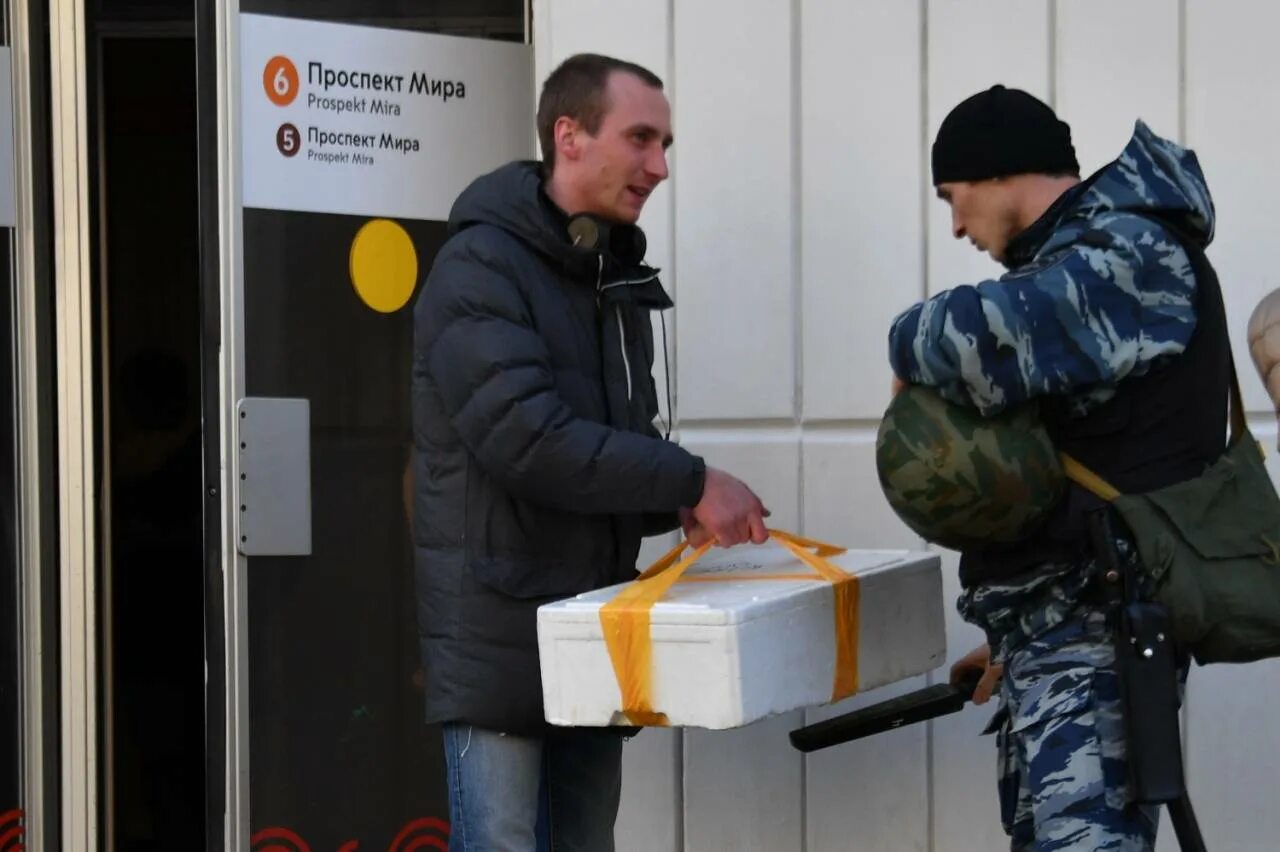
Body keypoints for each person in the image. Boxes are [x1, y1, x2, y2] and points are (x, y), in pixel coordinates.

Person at [411, 53, 768, 851]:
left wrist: (675, 499)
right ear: (568, 136)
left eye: (666, 143)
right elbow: (528, 442)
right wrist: (691, 478)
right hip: (499, 642)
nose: (660, 166)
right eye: (641, 138)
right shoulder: (479, 268)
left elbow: (605, 453)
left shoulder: (608, 273)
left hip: (589, 633)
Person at [887, 85, 1226, 851]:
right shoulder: (1092, 257)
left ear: (999, 172)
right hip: (1069, 631)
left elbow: (985, 334)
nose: (956, 225)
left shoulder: (1131, 254)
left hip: (1100, 640)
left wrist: (906, 341)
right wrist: (1019, 635)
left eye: (955, 197)